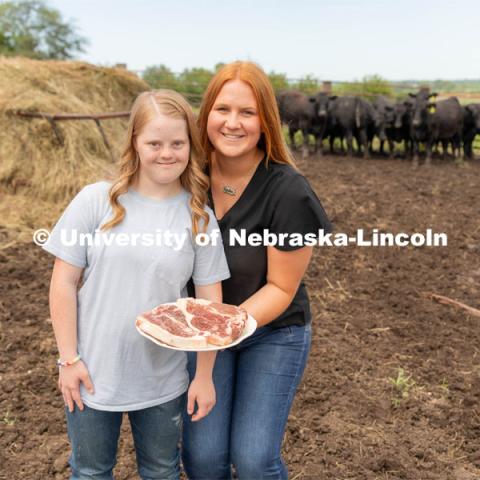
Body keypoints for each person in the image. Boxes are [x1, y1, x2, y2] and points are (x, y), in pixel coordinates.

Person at [42, 90, 230, 480]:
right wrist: (68, 360)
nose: (167, 153)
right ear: (135, 143)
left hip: (162, 378)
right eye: (155, 143)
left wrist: (204, 375)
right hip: (92, 373)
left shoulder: (199, 218)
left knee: (161, 471)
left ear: (190, 146)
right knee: (91, 472)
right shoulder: (96, 201)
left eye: (178, 143)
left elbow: (210, 304)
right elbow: (63, 282)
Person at [181, 62, 333, 480]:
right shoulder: (185, 178)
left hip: (271, 332)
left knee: (252, 459)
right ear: (206, 115)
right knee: (203, 459)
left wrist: (222, 327)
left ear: (266, 121)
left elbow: (281, 288)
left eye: (247, 113)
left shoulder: (288, 190)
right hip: (204, 334)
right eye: (223, 109)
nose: (233, 123)